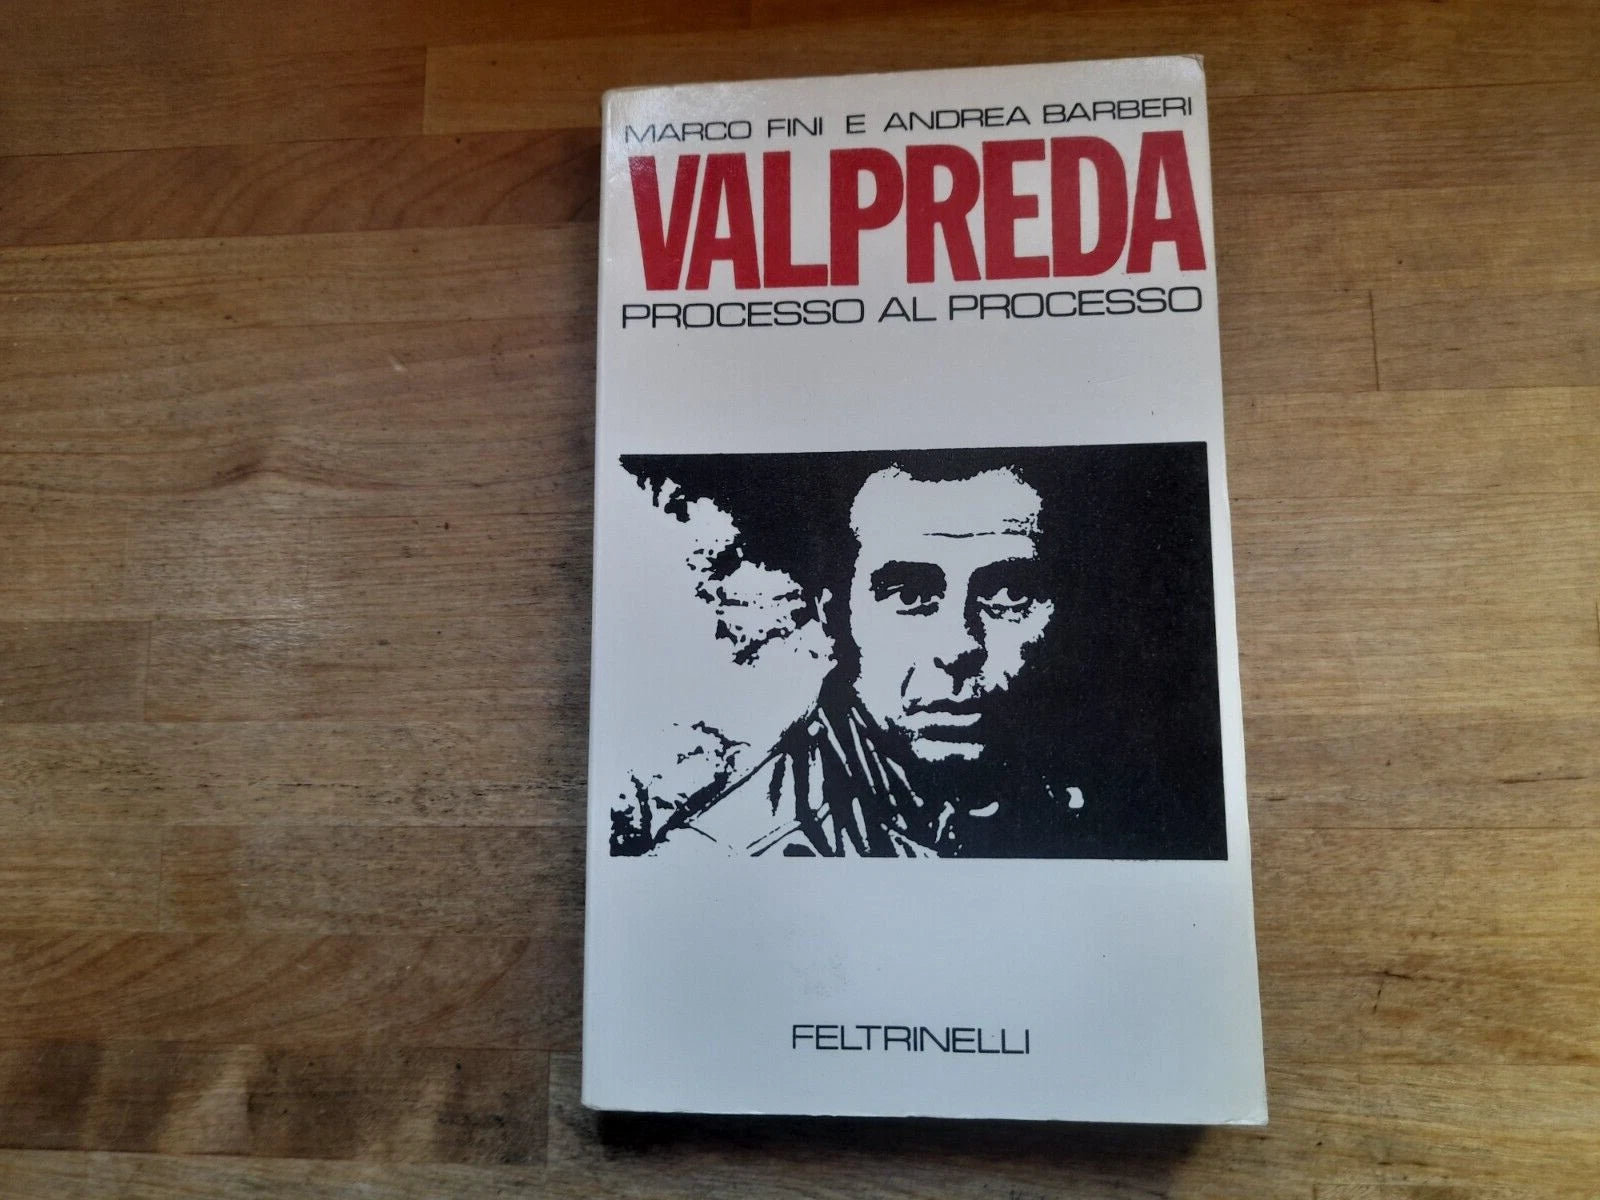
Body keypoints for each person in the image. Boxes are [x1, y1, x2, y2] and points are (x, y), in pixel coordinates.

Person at [649, 458, 1089, 857]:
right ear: (834, 617)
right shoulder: (733, 854)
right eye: (911, 596)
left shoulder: (1081, 807)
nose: (960, 647)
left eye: (1010, 594)